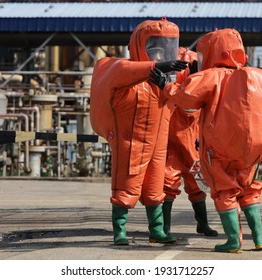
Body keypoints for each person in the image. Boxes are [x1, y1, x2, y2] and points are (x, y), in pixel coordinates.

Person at [150, 28, 262, 253]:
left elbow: (185, 98)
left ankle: (233, 240)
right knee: (248, 190)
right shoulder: (257, 76)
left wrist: (165, 84)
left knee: (225, 191)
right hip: (253, 151)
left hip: (222, 149)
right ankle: (259, 238)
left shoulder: (213, 76)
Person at [89, 18, 188, 245]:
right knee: (126, 185)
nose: (162, 52)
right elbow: (124, 71)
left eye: (167, 46)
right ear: (140, 44)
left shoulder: (162, 80)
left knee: (155, 187)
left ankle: (157, 230)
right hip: (131, 142)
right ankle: (120, 231)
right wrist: (156, 67)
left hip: (157, 144)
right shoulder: (122, 69)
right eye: (156, 46)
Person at [163, 47, 218, 237]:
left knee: (197, 187)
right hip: (172, 145)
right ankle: (164, 228)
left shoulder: (196, 90)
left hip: (192, 144)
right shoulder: (171, 89)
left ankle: (202, 224)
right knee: (167, 185)